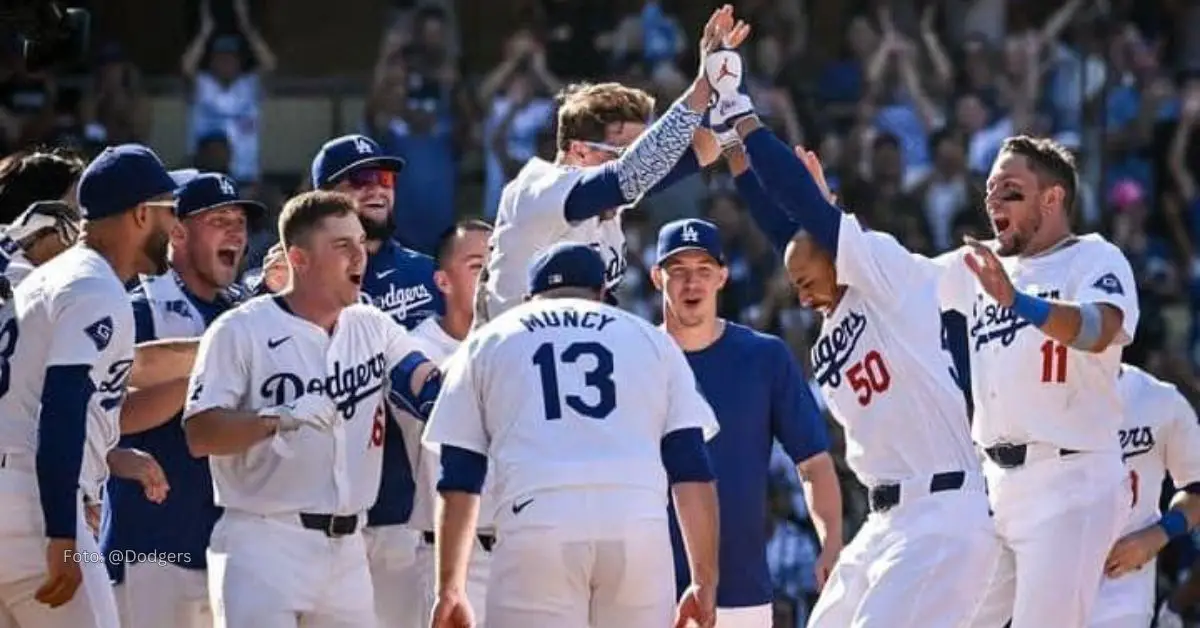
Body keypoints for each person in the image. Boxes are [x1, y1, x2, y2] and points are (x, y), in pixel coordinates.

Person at [703, 54, 1000, 625]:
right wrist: (735, 154)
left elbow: (804, 213)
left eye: (809, 281)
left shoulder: (885, 274)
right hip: (884, 520)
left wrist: (741, 112)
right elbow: (783, 229)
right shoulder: (830, 321)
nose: (802, 294)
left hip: (941, 514)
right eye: (795, 286)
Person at [424, 242, 721, 628]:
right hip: (636, 524)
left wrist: (450, 588)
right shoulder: (652, 340)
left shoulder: (488, 340)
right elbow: (691, 468)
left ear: (531, 297)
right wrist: (704, 580)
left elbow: (459, 477)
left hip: (536, 522)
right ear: (601, 293)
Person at [182, 190, 441, 628]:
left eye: (360, 243)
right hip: (263, 541)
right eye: (342, 246)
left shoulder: (371, 324)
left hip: (348, 551)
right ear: (299, 259)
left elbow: (421, 379)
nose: (359, 255)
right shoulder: (240, 329)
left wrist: (461, 389)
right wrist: (276, 419)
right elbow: (200, 432)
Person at [474, 5, 748, 325]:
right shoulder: (537, 188)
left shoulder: (608, 203)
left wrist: (721, 81)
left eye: (638, 148)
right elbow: (630, 173)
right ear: (579, 151)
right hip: (507, 360)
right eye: (622, 151)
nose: (636, 158)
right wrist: (700, 87)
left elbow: (705, 150)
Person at [0, 143, 179, 627]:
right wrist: (61, 531)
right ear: (142, 213)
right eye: (170, 211)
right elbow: (61, 406)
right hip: (33, 506)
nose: (175, 227)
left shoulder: (46, 279)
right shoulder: (93, 285)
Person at [650, 217, 843, 627]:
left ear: (722, 276)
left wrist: (831, 542)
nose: (691, 284)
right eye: (678, 272)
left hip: (742, 591)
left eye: (703, 271)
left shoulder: (764, 358)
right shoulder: (632, 357)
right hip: (647, 592)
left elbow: (813, 463)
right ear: (656, 277)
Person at [103, 173, 264, 628]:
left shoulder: (246, 310)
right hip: (155, 542)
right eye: (219, 220)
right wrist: (212, 366)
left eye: (241, 221)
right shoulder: (136, 308)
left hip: (232, 546)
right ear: (177, 231)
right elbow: (108, 416)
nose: (236, 231)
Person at [310, 132, 445, 616]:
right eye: (361, 179)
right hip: (312, 514)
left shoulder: (431, 275)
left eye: (384, 178)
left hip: (401, 513)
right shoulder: (290, 283)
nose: (378, 189)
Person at [380, 219, 493, 628]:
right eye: (478, 266)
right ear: (443, 281)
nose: (490, 278)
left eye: (498, 264)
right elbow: (448, 399)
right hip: (450, 558)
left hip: (523, 549)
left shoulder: (522, 341)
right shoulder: (413, 347)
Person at [1088, 363, 1200, 628]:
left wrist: (1159, 534)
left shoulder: (1159, 399)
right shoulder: (1031, 400)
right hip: (1047, 582)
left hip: (1122, 588)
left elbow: (1196, 488)